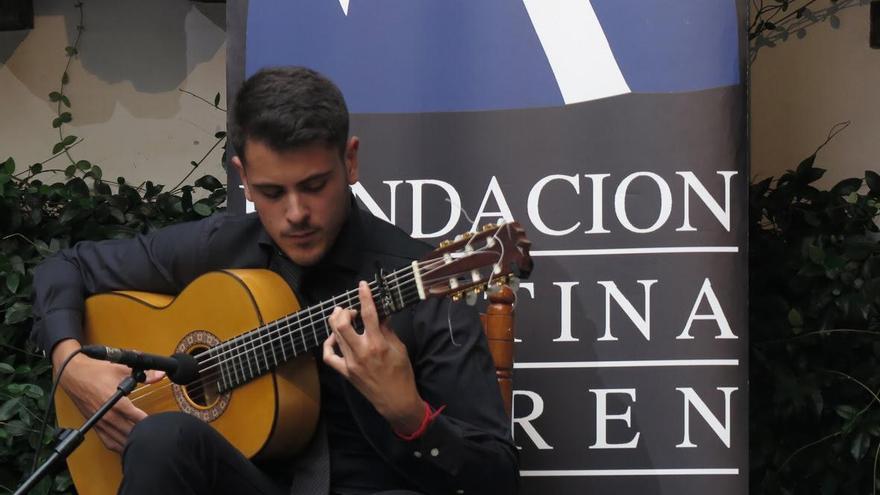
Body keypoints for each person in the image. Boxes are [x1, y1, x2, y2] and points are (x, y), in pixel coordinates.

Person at [31, 66, 519, 495]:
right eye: (270, 192)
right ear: (242, 177)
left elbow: (496, 478)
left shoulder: (421, 283)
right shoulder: (222, 246)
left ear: (350, 161)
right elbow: (64, 267)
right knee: (163, 437)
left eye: (314, 186)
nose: (295, 214)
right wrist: (71, 363)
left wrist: (411, 415)